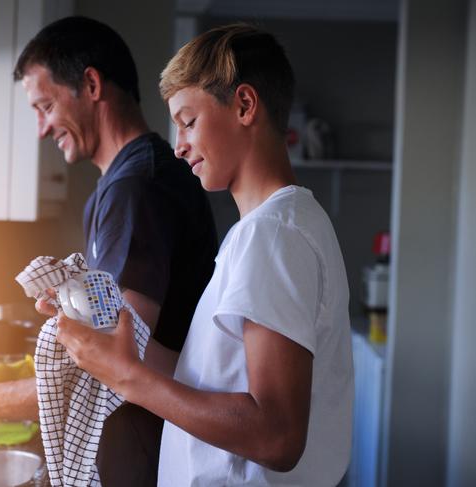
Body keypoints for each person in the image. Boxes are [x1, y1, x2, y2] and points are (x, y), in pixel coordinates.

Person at [55, 23, 354, 486]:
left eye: (188, 122)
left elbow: (277, 436)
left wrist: (128, 378)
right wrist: (109, 341)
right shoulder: (266, 230)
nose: (179, 147)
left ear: (245, 105)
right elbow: (207, 381)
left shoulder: (272, 235)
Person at [0, 16, 218, 487]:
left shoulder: (137, 188)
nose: (41, 128)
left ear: (91, 84)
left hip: (141, 459)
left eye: (45, 105)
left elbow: (112, 357)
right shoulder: (118, 186)